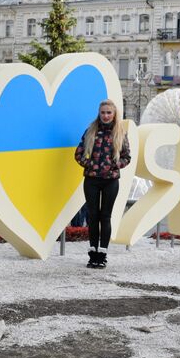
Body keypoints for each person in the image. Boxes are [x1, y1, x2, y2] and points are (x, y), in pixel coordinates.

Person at [74, 100, 131, 269]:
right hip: (91, 180)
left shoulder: (120, 133)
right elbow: (78, 153)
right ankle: (92, 255)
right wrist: (89, 164)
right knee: (93, 216)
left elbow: (127, 157)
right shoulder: (91, 131)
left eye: (109, 113)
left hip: (111, 181)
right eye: (103, 112)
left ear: (114, 114)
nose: (105, 115)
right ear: (99, 113)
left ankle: (102, 254)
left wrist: (114, 165)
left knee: (105, 217)